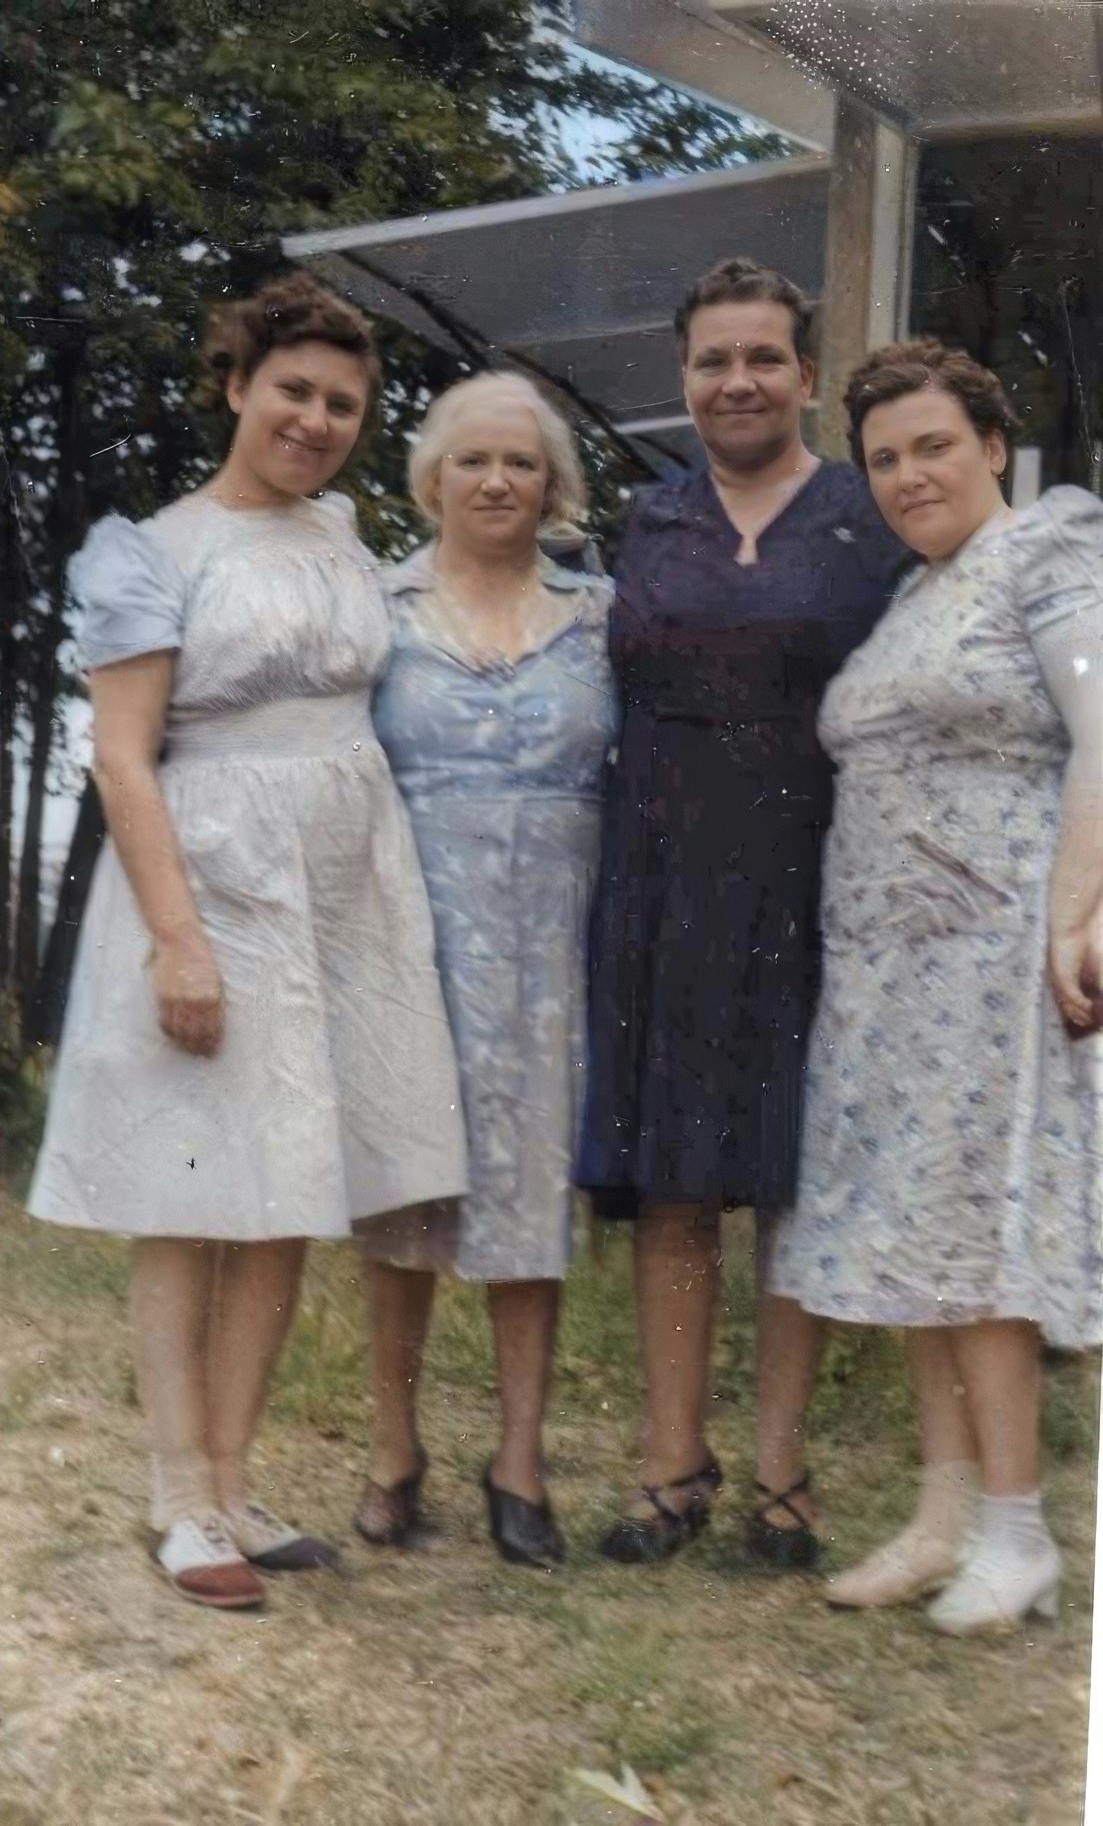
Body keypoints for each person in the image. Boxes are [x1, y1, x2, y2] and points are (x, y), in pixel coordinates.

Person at [27, 274, 467, 1610]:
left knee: (284, 1197)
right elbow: (120, 755)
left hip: (340, 891)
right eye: (293, 390)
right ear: (235, 386)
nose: (317, 419)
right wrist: (178, 942)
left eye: (343, 402)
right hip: (210, 880)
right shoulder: (151, 551)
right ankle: (176, 1495)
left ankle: (231, 1474)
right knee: (187, 1196)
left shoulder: (344, 537)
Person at [578, 258, 910, 1567]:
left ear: (809, 376)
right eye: (713, 360)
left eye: (763, 356)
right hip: (661, 877)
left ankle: (783, 1476)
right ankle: (672, 1466)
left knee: (788, 1182)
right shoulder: (649, 519)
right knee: (673, 1187)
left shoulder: (863, 515)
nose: (738, 380)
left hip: (814, 874)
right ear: (684, 379)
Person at [769, 340, 1103, 1634]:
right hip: (889, 971)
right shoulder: (918, 592)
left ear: (993, 448)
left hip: (997, 949)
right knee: (921, 1239)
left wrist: (1083, 914)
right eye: (887, 457)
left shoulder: (1051, 550)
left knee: (981, 1245)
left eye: (933, 447)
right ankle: (945, 1513)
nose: (911, 474)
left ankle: (1017, 1532)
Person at [353, 373, 619, 1568]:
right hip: (410, 934)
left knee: (528, 1200)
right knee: (404, 1195)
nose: (498, 481)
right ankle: (393, 1447)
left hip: (554, 946)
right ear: (432, 479)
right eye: (474, 462)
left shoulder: (603, 613)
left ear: (552, 483)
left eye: (521, 463)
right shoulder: (374, 607)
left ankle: (519, 1455)